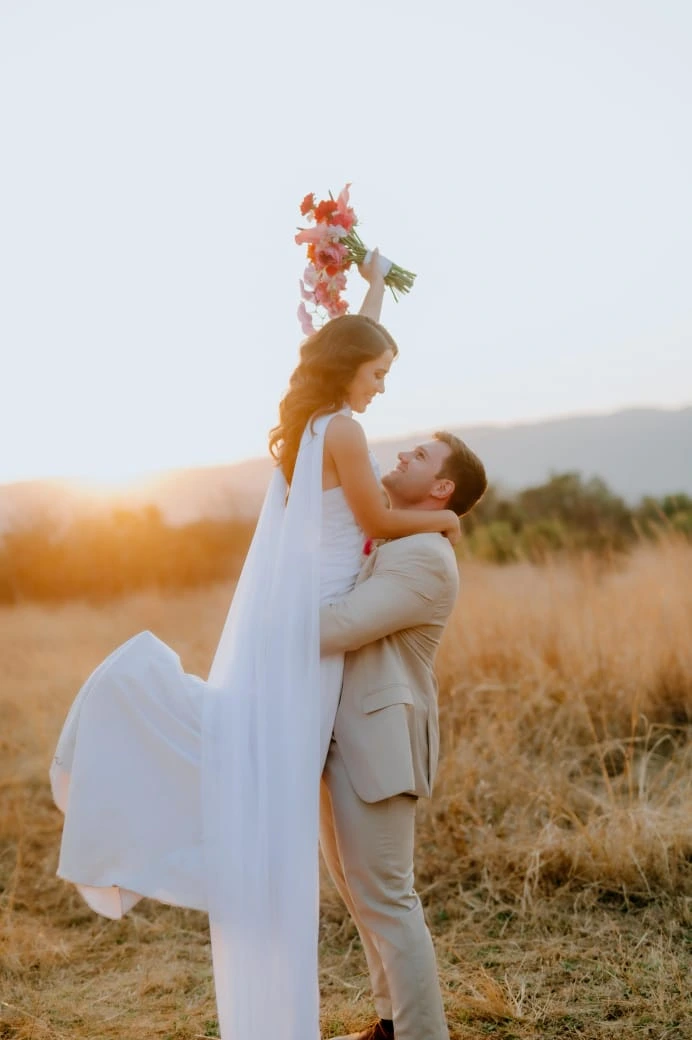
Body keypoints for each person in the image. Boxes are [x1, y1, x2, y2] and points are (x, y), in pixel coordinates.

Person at [49, 254, 462, 1040]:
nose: (382, 387)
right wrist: (443, 518)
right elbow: (377, 520)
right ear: (351, 368)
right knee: (283, 819)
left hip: (307, 639)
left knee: (276, 802)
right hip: (313, 641)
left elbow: (354, 343)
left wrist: (374, 284)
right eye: (378, 373)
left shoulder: (315, 424)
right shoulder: (345, 429)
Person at [318, 432, 487, 1040]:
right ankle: (391, 1026)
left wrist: (265, 605)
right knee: (363, 898)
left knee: (388, 899)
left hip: (379, 742)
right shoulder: (399, 539)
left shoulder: (425, 556)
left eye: (419, 457)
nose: (403, 456)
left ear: (442, 487)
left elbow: (336, 626)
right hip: (341, 738)